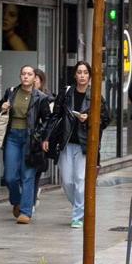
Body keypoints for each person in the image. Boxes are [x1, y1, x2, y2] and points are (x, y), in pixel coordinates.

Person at [44, 61, 102, 229]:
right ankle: (80, 206)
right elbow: (55, 116)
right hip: (66, 143)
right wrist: (47, 137)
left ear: (90, 76)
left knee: (80, 180)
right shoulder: (66, 93)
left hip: (85, 145)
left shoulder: (95, 95)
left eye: (85, 72)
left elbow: (104, 119)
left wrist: (89, 118)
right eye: (79, 72)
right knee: (68, 181)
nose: (82, 75)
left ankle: (78, 216)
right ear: (75, 75)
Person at [0, 65, 51, 225]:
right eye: (23, 74)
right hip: (12, 136)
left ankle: (25, 212)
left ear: (34, 77)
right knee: (9, 176)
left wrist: (42, 137)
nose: (26, 77)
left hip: (31, 139)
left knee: (27, 175)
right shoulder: (11, 92)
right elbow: (0, 108)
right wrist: (2, 107)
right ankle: (17, 200)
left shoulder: (40, 97)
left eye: (29, 74)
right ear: (20, 76)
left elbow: (48, 119)